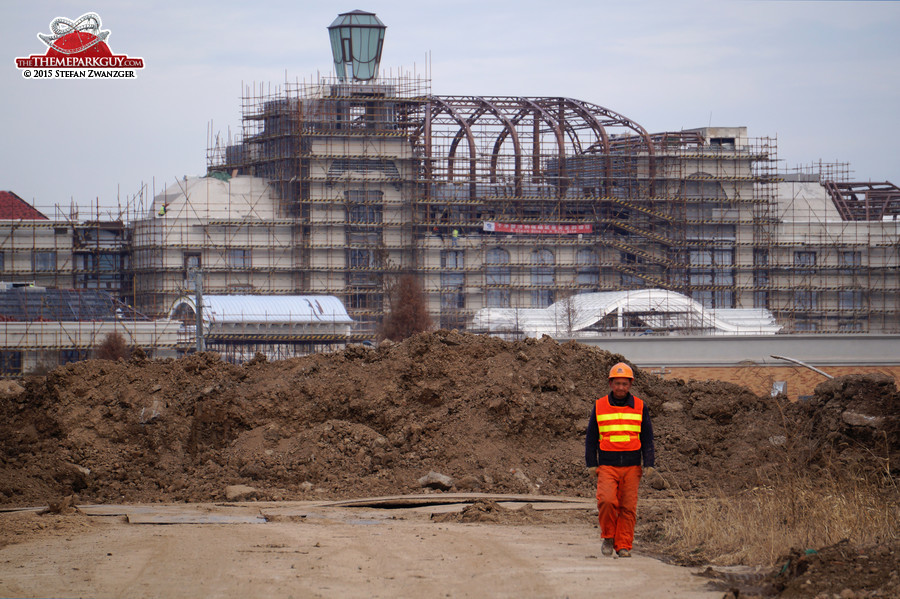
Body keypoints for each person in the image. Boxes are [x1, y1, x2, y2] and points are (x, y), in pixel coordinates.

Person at [585, 362, 655, 558]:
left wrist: (649, 462)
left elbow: (647, 437)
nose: (621, 387)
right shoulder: (599, 405)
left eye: (625, 383)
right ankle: (608, 537)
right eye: (617, 383)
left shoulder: (640, 406)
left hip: (632, 466)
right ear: (610, 383)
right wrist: (591, 463)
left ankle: (623, 545)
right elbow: (591, 437)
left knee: (628, 507)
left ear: (630, 384)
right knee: (607, 501)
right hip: (607, 465)